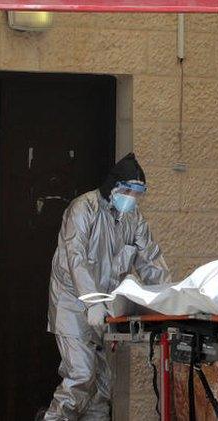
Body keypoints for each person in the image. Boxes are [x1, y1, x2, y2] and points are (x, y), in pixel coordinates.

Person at [42, 153, 170, 421]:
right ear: (112, 187)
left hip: (104, 310)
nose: (132, 199)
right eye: (127, 191)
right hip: (73, 304)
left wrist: (169, 301)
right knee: (80, 376)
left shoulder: (132, 218)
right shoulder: (83, 209)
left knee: (101, 389)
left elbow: (150, 260)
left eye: (138, 194)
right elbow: (75, 259)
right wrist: (91, 302)